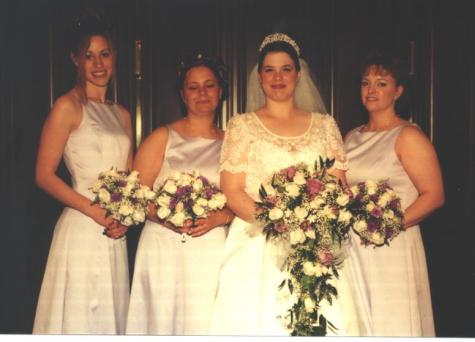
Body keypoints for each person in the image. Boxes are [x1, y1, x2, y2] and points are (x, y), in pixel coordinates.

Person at [209, 33, 372, 336]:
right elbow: (232, 192)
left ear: (299, 75)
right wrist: (279, 224)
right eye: (269, 69)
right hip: (257, 240)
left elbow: (338, 188)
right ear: (260, 77)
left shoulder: (325, 125)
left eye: (285, 68)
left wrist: (310, 226)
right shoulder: (241, 125)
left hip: (316, 240)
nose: (278, 77)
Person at [33, 18, 133, 334]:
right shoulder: (67, 106)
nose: (98, 64)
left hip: (114, 230)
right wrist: (94, 211)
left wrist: (125, 217)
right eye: (88, 55)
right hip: (82, 225)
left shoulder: (122, 114)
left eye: (104, 54)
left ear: (114, 58)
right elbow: (44, 175)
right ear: (76, 59)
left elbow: (129, 179)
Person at [126, 54, 234, 335]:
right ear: (182, 94)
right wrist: (167, 217)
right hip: (164, 246)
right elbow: (135, 196)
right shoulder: (162, 136)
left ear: (220, 92)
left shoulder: (234, 144)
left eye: (209, 85)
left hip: (210, 247)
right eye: (193, 87)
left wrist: (220, 218)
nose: (201, 93)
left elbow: (241, 201)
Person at [344, 52, 444, 337]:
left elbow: (434, 195)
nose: (371, 90)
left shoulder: (408, 136)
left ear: (398, 91)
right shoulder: (351, 137)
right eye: (365, 83)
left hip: (392, 245)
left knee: (392, 321)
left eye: (382, 83)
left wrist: (386, 226)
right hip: (354, 247)